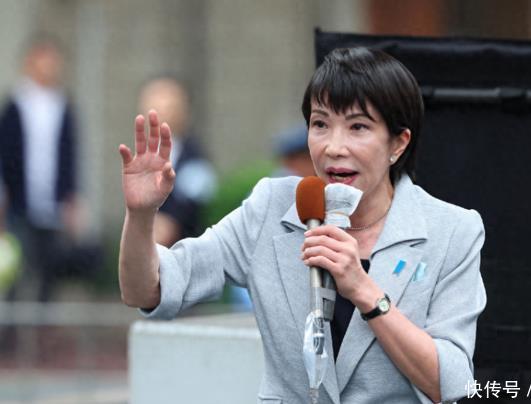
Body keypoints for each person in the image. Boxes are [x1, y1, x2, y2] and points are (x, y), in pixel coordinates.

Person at [118, 47, 486, 403]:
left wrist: (364, 291)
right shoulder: (272, 208)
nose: (334, 147)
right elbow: (149, 290)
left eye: (358, 127)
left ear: (398, 144)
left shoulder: (452, 231)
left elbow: (451, 382)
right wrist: (141, 215)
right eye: (320, 124)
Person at [0, 34, 80, 301]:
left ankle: (45, 325)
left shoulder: (63, 106)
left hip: (53, 204)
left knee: (49, 271)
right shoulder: (15, 105)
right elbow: (6, 155)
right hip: (19, 204)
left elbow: (70, 156)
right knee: (17, 268)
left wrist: (71, 198)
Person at [137, 77, 217, 247]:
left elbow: (197, 199)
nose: (161, 110)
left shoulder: (195, 157)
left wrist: (171, 221)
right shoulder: (140, 155)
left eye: (169, 105)